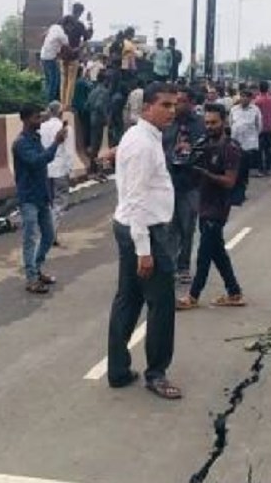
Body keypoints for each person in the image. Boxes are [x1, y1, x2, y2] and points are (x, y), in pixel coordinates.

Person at [107, 82, 182, 400]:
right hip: (145, 231)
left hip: (133, 226)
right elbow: (136, 198)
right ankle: (157, 374)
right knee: (160, 304)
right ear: (148, 107)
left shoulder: (141, 136)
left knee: (128, 299)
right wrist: (144, 250)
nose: (171, 111)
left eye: (174, 105)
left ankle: (118, 370)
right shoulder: (142, 144)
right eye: (165, 105)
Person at [175, 103, 246, 310]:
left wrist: (203, 173)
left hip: (218, 207)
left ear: (224, 121)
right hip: (204, 204)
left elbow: (229, 181)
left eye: (214, 123)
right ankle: (234, 292)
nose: (209, 126)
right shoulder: (204, 142)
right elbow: (190, 159)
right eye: (206, 123)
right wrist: (186, 154)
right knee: (217, 252)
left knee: (205, 254)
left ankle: (193, 296)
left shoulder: (230, 148)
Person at [11, 103, 67, 294]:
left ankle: (36, 269)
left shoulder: (35, 138)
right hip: (29, 197)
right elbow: (37, 161)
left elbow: (45, 160)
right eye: (36, 117)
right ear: (26, 120)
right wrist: (56, 142)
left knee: (49, 236)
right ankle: (31, 278)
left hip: (41, 195)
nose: (40, 121)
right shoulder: (21, 143)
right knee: (30, 238)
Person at [164, 87, 205, 286]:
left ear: (190, 103)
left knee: (187, 226)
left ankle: (183, 266)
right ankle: (170, 265)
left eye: (180, 101)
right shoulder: (167, 122)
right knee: (169, 227)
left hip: (190, 183)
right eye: (175, 101)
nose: (176, 105)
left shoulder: (199, 124)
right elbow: (161, 146)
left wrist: (191, 149)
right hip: (168, 181)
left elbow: (204, 150)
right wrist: (172, 150)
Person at [40, 101, 76, 247]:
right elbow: (69, 152)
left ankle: (47, 232)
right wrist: (71, 171)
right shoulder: (66, 128)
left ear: (49, 112)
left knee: (48, 203)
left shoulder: (41, 127)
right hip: (60, 169)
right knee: (60, 203)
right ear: (61, 113)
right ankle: (51, 234)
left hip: (45, 169)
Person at [230, 89, 262, 205]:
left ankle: (241, 192)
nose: (244, 99)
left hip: (248, 145)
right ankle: (235, 192)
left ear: (250, 99)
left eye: (246, 97)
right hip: (235, 143)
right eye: (242, 96)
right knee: (234, 168)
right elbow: (231, 123)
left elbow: (259, 126)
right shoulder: (234, 110)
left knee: (243, 170)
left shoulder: (255, 110)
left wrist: (253, 138)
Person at [59, 3, 93, 112]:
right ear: (80, 12)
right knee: (71, 81)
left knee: (63, 80)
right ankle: (67, 105)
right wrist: (90, 23)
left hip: (62, 55)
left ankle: (62, 103)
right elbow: (87, 36)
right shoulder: (79, 25)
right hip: (73, 56)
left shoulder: (62, 21)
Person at [39, 19, 68, 103]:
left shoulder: (53, 27)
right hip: (50, 58)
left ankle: (45, 99)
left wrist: (48, 45)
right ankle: (50, 101)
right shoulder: (62, 34)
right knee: (54, 80)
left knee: (48, 80)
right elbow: (67, 46)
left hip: (43, 55)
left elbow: (43, 35)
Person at [86, 72, 112, 167]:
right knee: (96, 144)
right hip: (99, 120)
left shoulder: (93, 91)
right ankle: (93, 166)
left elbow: (87, 105)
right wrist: (106, 117)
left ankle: (93, 165)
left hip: (92, 118)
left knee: (94, 143)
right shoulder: (104, 92)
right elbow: (100, 105)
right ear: (105, 80)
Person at [254, 81, 271, 176]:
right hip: (269, 127)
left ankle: (260, 170)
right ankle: (267, 168)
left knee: (259, 150)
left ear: (259, 88)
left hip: (260, 128)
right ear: (267, 88)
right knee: (268, 149)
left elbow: (255, 116)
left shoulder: (257, 100)